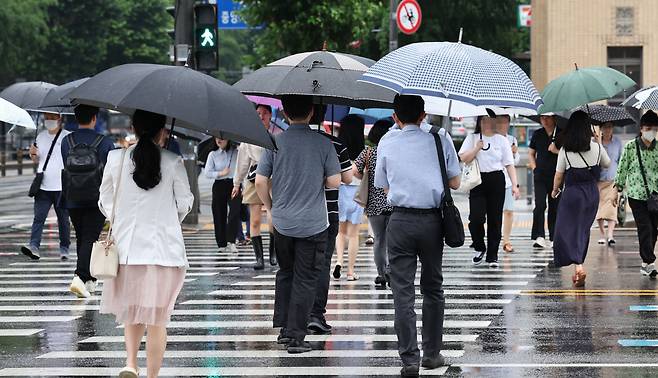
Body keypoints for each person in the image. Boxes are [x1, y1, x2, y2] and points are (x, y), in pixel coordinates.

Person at [99, 109, 193, 378]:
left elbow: (105, 199)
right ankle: (152, 375)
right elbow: (185, 202)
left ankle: (130, 362)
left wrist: (118, 217)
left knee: (132, 310)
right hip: (164, 252)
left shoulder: (116, 158)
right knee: (157, 319)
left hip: (127, 251)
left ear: (134, 126)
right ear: (162, 129)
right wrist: (168, 217)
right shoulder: (173, 161)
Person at [375, 94, 461, 376]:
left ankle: (409, 359)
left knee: (402, 292)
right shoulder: (440, 137)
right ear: (423, 114)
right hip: (432, 221)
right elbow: (456, 181)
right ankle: (432, 354)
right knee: (433, 287)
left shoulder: (387, 141)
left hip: (399, 220)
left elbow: (383, 186)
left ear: (395, 116)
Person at [255, 95, 341, 354]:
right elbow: (335, 182)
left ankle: (284, 329)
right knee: (306, 278)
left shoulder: (274, 142)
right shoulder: (323, 143)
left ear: (285, 113)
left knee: (285, 273)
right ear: (312, 112)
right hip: (313, 223)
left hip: (282, 222)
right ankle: (295, 337)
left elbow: (260, 181)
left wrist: (271, 208)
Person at [308, 104, 353, 334]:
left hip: (299, 212)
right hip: (328, 210)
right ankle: (316, 314)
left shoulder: (288, 143)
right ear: (324, 114)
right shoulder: (335, 144)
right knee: (323, 264)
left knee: (299, 267)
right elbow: (346, 178)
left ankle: (296, 316)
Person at [552, 111, 611, 287]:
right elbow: (606, 163)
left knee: (563, 231)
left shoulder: (565, 150)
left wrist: (555, 190)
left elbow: (558, 175)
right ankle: (578, 267)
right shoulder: (596, 147)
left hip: (572, 194)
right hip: (591, 194)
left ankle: (578, 266)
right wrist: (599, 142)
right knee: (582, 230)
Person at [61, 105, 115, 298]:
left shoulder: (67, 141)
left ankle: (90, 280)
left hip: (72, 197)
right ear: (94, 118)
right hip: (96, 198)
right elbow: (111, 171)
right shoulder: (105, 142)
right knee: (90, 237)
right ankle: (80, 277)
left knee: (82, 236)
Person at [459, 115, 520, 267]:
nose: (486, 123)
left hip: (497, 180)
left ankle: (493, 255)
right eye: (483, 120)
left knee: (495, 219)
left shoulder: (501, 140)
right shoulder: (472, 138)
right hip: (478, 181)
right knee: (476, 218)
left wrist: (514, 185)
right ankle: (479, 247)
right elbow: (463, 158)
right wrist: (477, 148)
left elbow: (509, 164)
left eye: (489, 120)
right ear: (479, 122)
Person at [21, 112, 71, 261]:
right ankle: (34, 246)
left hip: (62, 186)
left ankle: (64, 248)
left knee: (63, 220)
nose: (48, 121)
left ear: (59, 119)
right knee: (38, 218)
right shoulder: (40, 136)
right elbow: (38, 160)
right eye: (46, 118)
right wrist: (33, 155)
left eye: (51, 118)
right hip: (43, 186)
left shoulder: (67, 136)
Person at [232, 104, 277, 269]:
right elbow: (242, 163)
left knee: (273, 217)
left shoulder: (274, 138)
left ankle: (273, 254)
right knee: (255, 219)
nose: (261, 116)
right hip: (253, 180)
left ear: (270, 116)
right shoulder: (247, 140)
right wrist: (237, 183)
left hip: (272, 179)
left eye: (265, 113)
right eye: (258, 113)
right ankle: (259, 258)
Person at [615, 110, 658, 278]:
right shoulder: (631, 147)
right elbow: (622, 169)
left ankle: (645, 263)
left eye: (655, 128)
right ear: (641, 128)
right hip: (636, 194)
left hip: (655, 195)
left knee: (653, 229)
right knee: (645, 227)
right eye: (648, 128)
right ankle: (650, 261)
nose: (651, 131)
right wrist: (617, 190)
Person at [354, 118, 394, 289]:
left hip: (374, 204)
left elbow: (354, 170)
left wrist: (365, 178)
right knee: (393, 240)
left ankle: (381, 273)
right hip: (393, 202)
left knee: (379, 240)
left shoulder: (368, 152)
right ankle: (392, 270)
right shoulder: (394, 151)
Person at [333, 115, 365, 281]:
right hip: (357, 194)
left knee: (340, 231)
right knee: (353, 234)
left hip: (341, 191)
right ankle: (351, 271)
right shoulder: (363, 150)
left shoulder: (337, 148)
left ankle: (339, 260)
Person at [529, 114, 561, 249]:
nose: (544, 120)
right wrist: (534, 168)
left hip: (557, 175)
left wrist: (556, 150)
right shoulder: (538, 134)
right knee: (540, 205)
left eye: (547, 118)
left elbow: (567, 154)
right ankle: (539, 236)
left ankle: (554, 236)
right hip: (540, 175)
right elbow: (531, 153)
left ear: (554, 118)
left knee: (555, 207)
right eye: (542, 118)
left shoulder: (561, 133)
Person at [205, 138, 240, 253]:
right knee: (219, 214)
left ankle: (232, 241)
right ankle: (221, 243)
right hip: (219, 185)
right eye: (216, 137)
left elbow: (241, 169)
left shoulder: (236, 152)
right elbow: (207, 173)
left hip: (234, 185)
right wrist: (220, 173)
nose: (219, 140)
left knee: (234, 212)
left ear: (229, 139)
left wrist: (240, 184)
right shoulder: (213, 154)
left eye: (222, 138)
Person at [496, 115, 521, 253]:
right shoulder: (492, 138)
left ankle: (506, 240)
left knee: (509, 211)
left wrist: (514, 153)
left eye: (506, 123)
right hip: (495, 180)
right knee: (495, 212)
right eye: (501, 122)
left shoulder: (512, 140)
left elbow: (515, 162)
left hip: (508, 180)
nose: (503, 125)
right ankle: (495, 238)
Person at [596, 122, 623, 246]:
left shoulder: (617, 142)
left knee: (612, 207)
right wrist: (599, 144)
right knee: (600, 209)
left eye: (610, 127)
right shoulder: (595, 142)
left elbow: (621, 160)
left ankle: (610, 235)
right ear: (601, 128)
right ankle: (602, 234)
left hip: (613, 179)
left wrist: (621, 180)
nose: (608, 129)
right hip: (599, 180)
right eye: (605, 127)